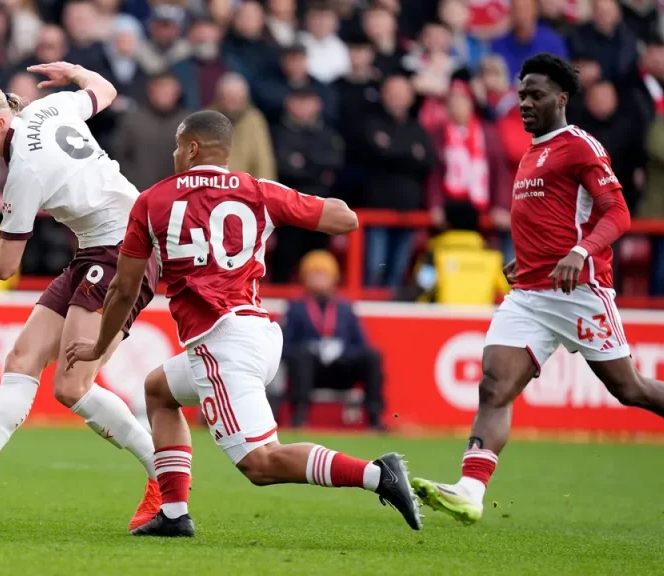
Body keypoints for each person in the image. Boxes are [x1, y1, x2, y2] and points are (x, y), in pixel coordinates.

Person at [64, 110, 422, 537]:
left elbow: (124, 289)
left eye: (179, 146)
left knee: (261, 463)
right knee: (159, 391)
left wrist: (98, 346)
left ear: (192, 148)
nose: (175, 153)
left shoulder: (153, 200)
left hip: (220, 343)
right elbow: (345, 218)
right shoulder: (257, 190)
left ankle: (377, 474)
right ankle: (174, 513)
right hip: (257, 332)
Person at [0, 62, 162, 534]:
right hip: (97, 249)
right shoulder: (50, 106)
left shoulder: (24, 168)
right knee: (22, 357)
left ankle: (165, 478)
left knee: (71, 387)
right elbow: (103, 88)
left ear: (0, 122)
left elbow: (4, 266)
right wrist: (75, 70)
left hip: (126, 253)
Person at [412, 53, 664, 525]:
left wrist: (581, 252)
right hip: (531, 292)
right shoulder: (533, 151)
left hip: (580, 290)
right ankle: (469, 490)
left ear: (562, 98)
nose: (525, 103)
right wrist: (528, 257)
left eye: (535, 95)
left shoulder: (579, 146)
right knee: (494, 385)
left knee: (630, 389)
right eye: (522, 94)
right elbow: (551, 218)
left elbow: (618, 212)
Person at [280, 250, 384, 430]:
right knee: (302, 357)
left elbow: (361, 344)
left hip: (341, 369)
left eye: (324, 275)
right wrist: (310, 349)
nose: (319, 279)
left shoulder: (345, 309)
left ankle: (375, 419)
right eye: (314, 274)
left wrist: (342, 351)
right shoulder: (295, 309)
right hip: (310, 371)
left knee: (372, 357)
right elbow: (285, 347)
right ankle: (299, 418)